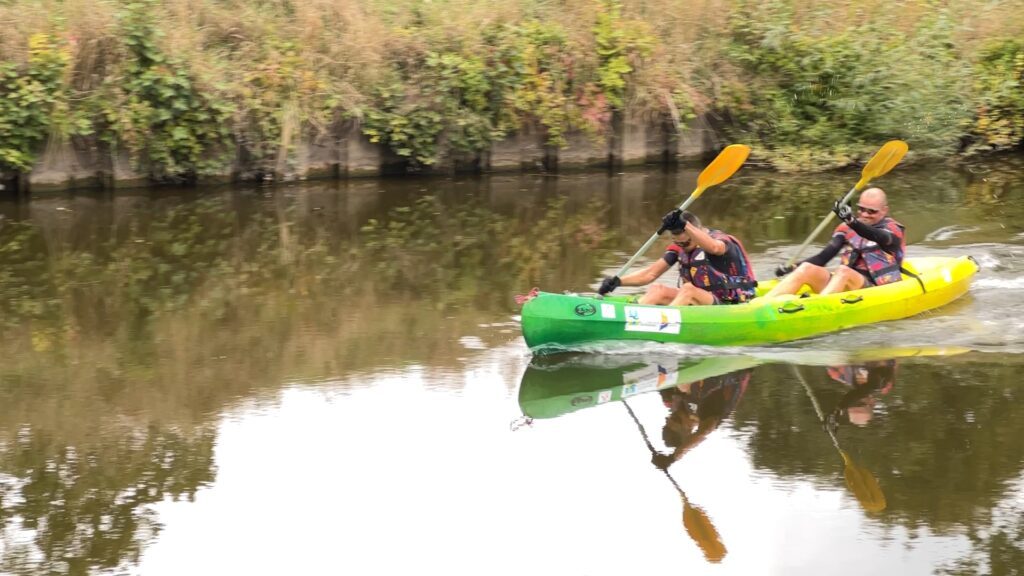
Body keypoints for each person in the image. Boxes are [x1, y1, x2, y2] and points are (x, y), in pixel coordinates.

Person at [765, 187, 906, 298]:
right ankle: (764, 303)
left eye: (871, 211)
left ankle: (818, 307)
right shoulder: (846, 229)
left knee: (843, 271)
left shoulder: (892, 230)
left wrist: (852, 221)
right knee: (807, 268)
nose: (864, 214)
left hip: (876, 287)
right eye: (862, 209)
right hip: (844, 281)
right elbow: (823, 257)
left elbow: (874, 235)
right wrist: (793, 267)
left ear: (884, 210)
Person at [598, 210, 757, 306]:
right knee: (657, 290)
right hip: (700, 301)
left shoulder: (721, 241)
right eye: (677, 243)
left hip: (730, 303)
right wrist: (618, 281)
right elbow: (650, 274)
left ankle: (662, 325)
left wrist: (685, 225)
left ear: (696, 231)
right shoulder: (680, 247)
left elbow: (714, 247)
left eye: (686, 242)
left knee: (688, 290)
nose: (682, 246)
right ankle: (631, 318)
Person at [651, 368, 752, 470]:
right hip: (733, 372)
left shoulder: (675, 404)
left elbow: (665, 385)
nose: (673, 415)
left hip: (704, 374)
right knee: (684, 387)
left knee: (669, 392)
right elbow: (702, 433)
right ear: (688, 431)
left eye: (669, 418)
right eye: (677, 419)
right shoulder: (706, 417)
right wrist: (673, 458)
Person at [824, 360, 897, 430]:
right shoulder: (883, 383)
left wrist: (839, 408)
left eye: (852, 404)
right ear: (872, 403)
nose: (855, 401)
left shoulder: (838, 374)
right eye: (860, 404)